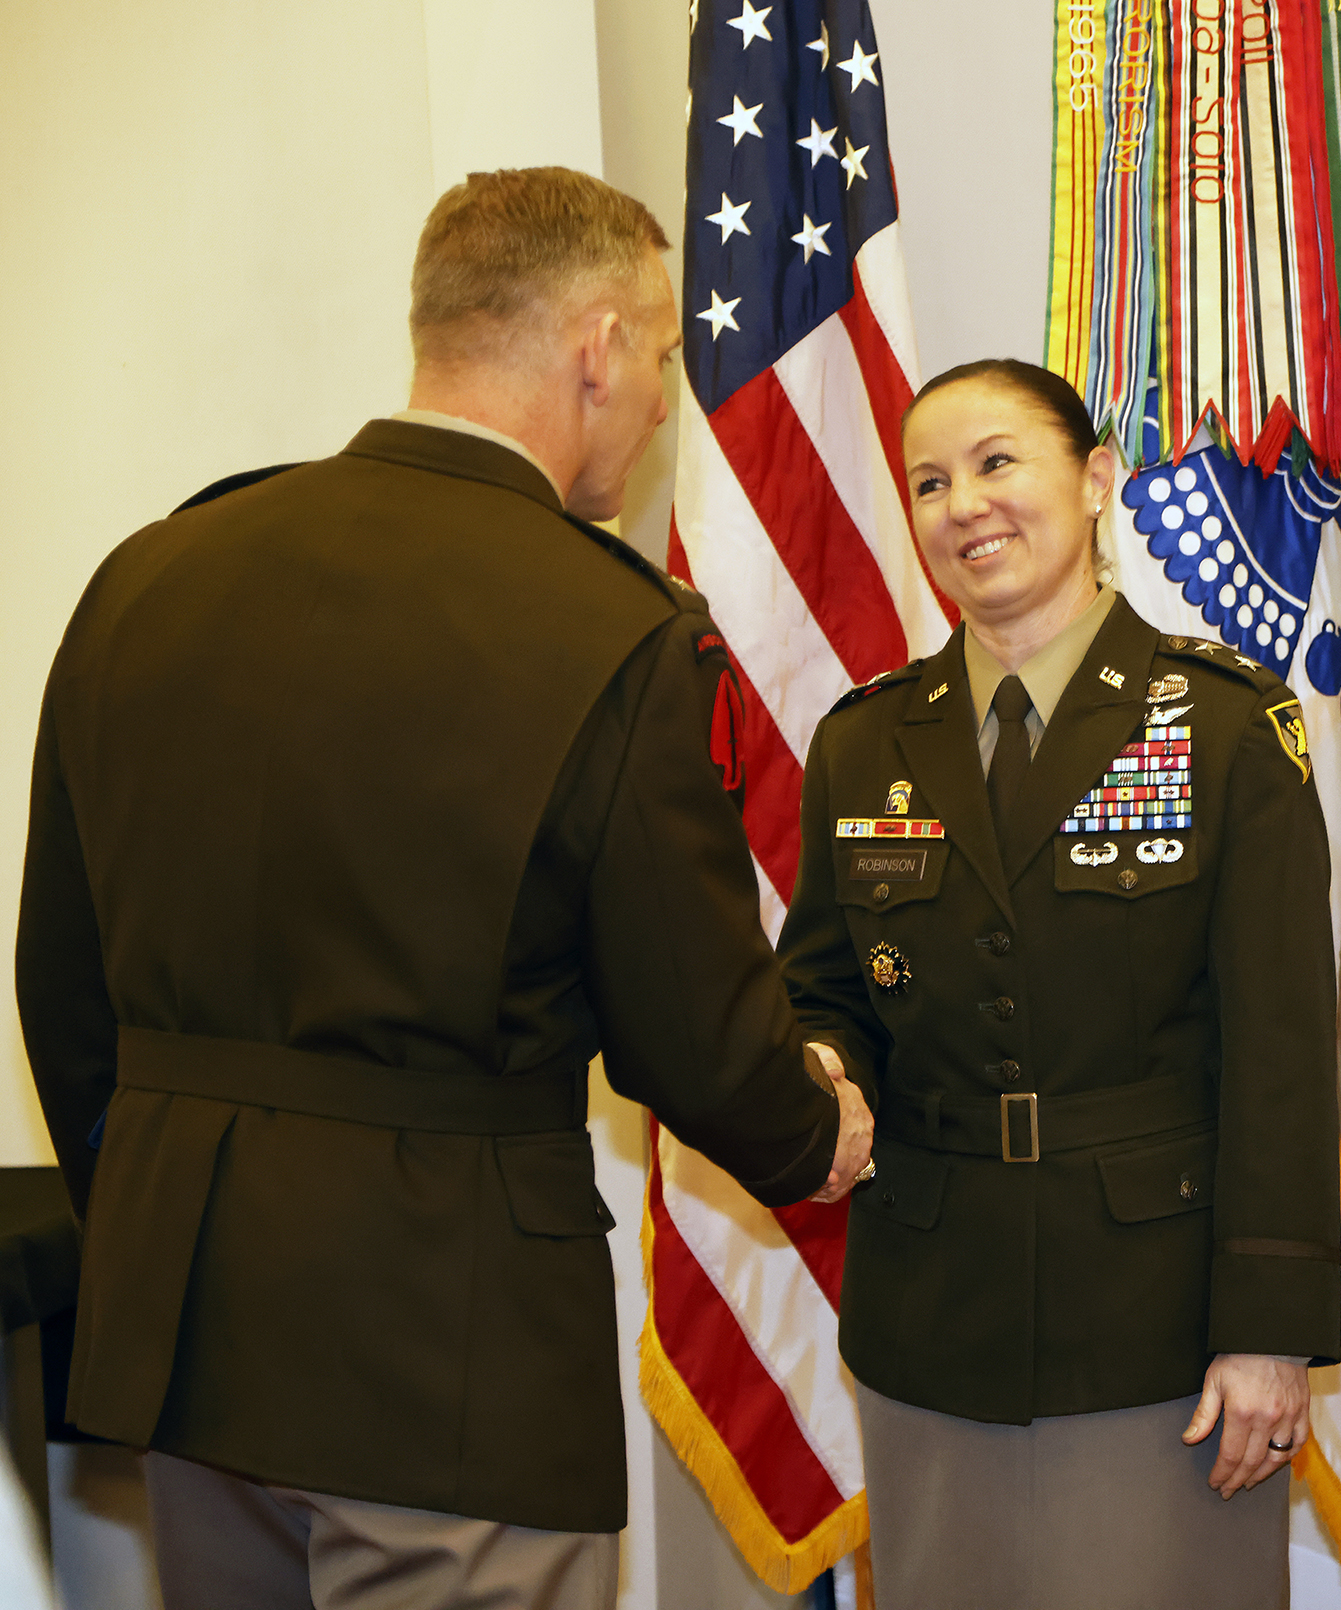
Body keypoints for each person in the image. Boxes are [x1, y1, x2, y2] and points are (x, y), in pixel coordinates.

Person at [16, 167, 871, 1610]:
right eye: (664, 359)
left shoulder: (151, 575)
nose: (665, 403)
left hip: (189, 1340)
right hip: (442, 1366)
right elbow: (692, 1030)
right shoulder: (606, 627)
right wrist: (810, 1131)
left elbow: (59, 977)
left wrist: (163, 1205)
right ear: (595, 345)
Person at [777, 358, 1341, 1607]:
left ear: (1093, 482)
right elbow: (825, 990)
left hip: (1158, 1321)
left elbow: (1285, 1053)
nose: (963, 503)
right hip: (930, 1312)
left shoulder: (1226, 727)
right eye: (930, 480)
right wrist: (822, 1067)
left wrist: (1269, 1329)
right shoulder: (864, 741)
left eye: (996, 463)